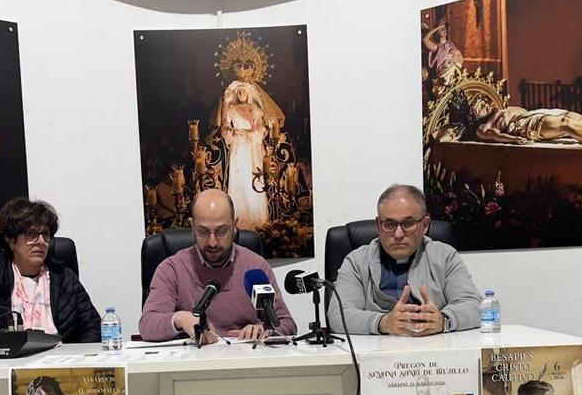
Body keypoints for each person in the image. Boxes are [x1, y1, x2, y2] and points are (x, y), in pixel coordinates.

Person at [140, 189, 296, 343]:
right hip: (194, 362)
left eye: (221, 231)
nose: (212, 242)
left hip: (245, 361)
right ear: (192, 226)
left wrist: (265, 329)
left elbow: (287, 324)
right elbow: (147, 325)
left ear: (234, 226)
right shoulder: (172, 269)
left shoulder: (256, 267)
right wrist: (179, 318)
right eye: (203, 232)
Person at [329, 184, 480, 335]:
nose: (399, 234)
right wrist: (383, 323)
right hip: (376, 352)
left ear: (425, 224)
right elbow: (338, 316)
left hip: (434, 349)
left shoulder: (445, 256)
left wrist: (443, 320)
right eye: (389, 224)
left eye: (408, 224)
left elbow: (475, 306)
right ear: (378, 225)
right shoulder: (356, 261)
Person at [0, 197, 101, 342]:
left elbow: (92, 326)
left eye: (45, 234)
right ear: (10, 239)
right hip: (8, 360)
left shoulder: (63, 277)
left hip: (59, 359)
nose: (41, 241)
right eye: (32, 234)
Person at [218, 81, 271, 230]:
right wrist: (231, 131)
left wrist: (251, 133)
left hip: (251, 148)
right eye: (239, 92)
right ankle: (239, 219)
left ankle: (256, 218)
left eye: (243, 92)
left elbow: (260, 129)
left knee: (252, 178)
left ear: (248, 93)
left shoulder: (254, 109)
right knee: (239, 179)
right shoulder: (231, 109)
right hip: (238, 147)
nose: (241, 94)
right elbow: (225, 126)